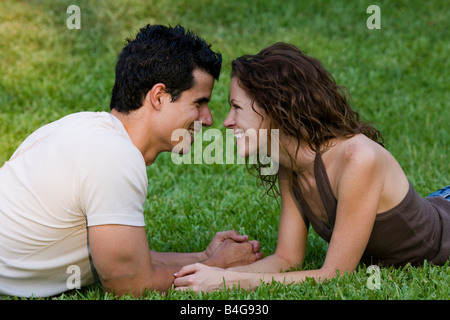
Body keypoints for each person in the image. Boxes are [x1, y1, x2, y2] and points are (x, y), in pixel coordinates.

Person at [0, 24, 262, 298]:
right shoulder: (114, 156)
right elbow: (128, 285)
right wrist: (217, 266)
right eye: (198, 103)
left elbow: (129, 260)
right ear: (159, 96)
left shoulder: (87, 128)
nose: (207, 119)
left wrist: (203, 255)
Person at [173, 42, 450, 292]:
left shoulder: (358, 158)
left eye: (236, 107)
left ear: (273, 107)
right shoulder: (289, 165)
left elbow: (335, 275)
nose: (227, 122)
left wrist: (230, 283)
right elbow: (287, 258)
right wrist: (213, 274)